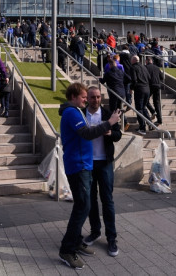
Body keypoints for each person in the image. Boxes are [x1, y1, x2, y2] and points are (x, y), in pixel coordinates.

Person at [58, 82, 121, 270]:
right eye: (85, 96)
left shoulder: (76, 111)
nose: (88, 99)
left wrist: (111, 128)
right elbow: (86, 133)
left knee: (91, 203)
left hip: (90, 164)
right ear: (73, 96)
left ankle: (78, 241)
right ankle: (67, 249)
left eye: (93, 97)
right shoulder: (72, 112)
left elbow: (115, 134)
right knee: (84, 205)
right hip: (79, 166)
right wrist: (109, 123)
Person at [82, 86, 122, 257]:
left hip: (104, 162)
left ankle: (111, 238)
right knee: (90, 200)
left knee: (107, 200)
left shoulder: (108, 114)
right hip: (88, 163)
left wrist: (111, 133)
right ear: (87, 98)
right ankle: (95, 231)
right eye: (92, 97)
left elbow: (118, 135)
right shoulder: (81, 114)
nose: (96, 100)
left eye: (98, 97)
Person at [128, 55, 151, 134]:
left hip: (139, 89)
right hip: (147, 88)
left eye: (131, 60)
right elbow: (149, 77)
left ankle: (142, 127)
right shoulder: (144, 67)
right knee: (143, 107)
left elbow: (134, 80)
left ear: (133, 60)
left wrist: (131, 88)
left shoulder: (133, 68)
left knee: (139, 108)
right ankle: (150, 122)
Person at [144, 55, 163, 125]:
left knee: (145, 101)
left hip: (150, 86)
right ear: (152, 61)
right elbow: (162, 77)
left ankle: (152, 111)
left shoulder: (145, 67)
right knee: (157, 103)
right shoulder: (157, 68)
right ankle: (159, 119)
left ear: (146, 61)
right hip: (157, 86)